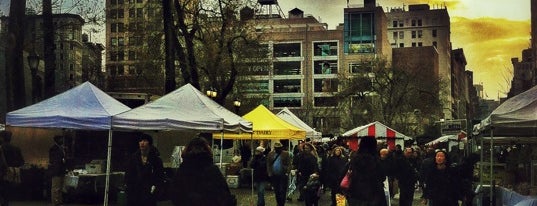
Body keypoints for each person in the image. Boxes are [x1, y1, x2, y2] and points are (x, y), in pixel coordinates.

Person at [169, 136, 236, 206]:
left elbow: (175, 194)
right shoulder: (213, 170)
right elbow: (223, 195)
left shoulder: (183, 169)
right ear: (207, 149)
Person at [125, 133, 165, 206]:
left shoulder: (156, 160)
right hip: (135, 193)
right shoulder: (133, 158)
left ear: (149, 143)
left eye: (145, 140)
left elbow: (160, 176)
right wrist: (129, 188)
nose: (142, 143)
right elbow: (128, 174)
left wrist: (155, 189)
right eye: (140, 141)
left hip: (149, 193)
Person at [346, 137, 387, 206]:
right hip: (374, 194)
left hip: (356, 194)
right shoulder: (376, 160)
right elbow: (382, 177)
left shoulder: (355, 159)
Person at [267, 141, 292, 206]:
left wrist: (287, 172)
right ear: (275, 148)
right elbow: (268, 164)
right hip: (274, 175)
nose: (278, 149)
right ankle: (278, 203)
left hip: (283, 175)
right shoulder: (270, 154)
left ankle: (282, 204)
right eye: (277, 148)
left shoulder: (286, 154)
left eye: (279, 148)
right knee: (277, 191)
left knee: (282, 190)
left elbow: (289, 164)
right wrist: (269, 173)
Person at [48, 135, 67, 206]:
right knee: (56, 187)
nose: (62, 140)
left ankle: (59, 201)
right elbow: (54, 160)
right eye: (61, 139)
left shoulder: (61, 148)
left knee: (60, 187)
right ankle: (55, 202)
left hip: (61, 170)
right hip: (56, 170)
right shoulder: (54, 148)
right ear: (57, 140)